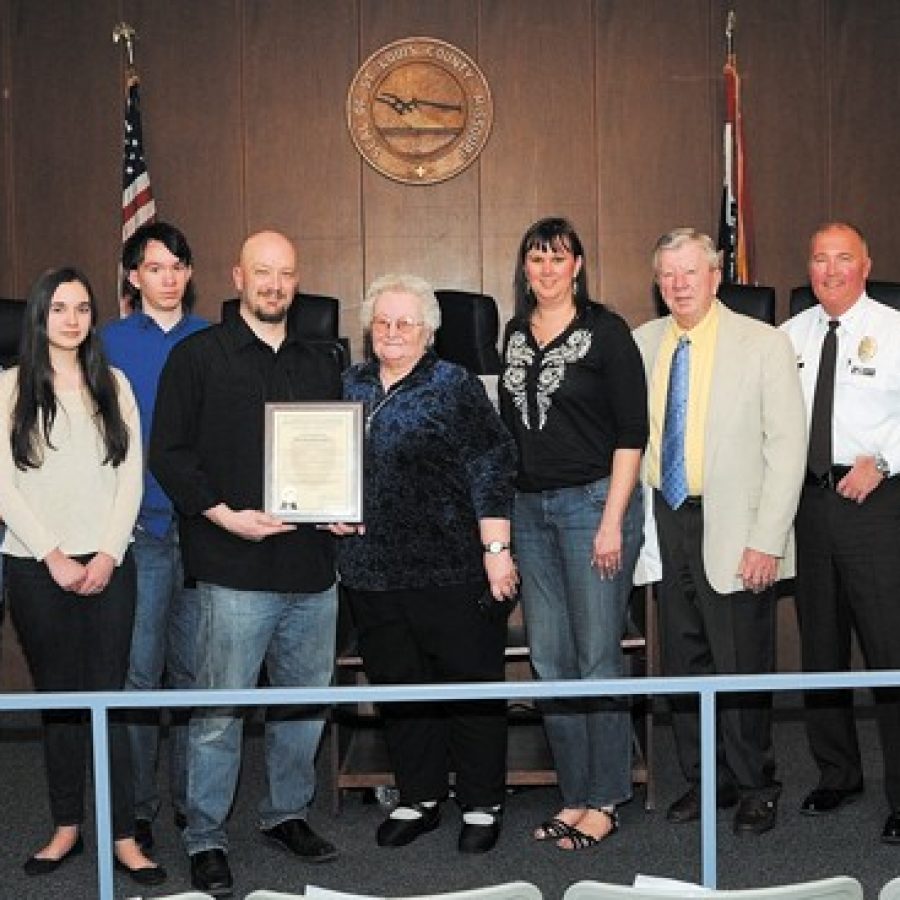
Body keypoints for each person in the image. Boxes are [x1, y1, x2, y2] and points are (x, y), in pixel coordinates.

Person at [149, 230, 341, 897]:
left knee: (302, 707)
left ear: (297, 281)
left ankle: (286, 813)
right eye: (262, 272)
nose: (274, 284)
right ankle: (205, 836)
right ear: (237, 277)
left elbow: (334, 455)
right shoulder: (196, 357)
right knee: (218, 713)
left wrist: (341, 507)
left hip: (312, 568)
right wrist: (224, 514)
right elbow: (169, 454)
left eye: (285, 273)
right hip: (231, 567)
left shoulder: (322, 361)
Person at [332, 274, 518, 854]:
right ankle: (421, 796)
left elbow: (493, 460)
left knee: (469, 691)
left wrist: (496, 551)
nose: (392, 332)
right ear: (368, 329)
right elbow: (327, 465)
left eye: (405, 323)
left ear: (429, 331)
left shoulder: (453, 384)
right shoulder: (349, 386)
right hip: (372, 573)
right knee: (401, 691)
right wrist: (329, 509)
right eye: (382, 322)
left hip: (452, 570)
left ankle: (483, 803)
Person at [633, 227, 806, 835]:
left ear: (715, 276)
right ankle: (708, 781)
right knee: (684, 663)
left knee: (740, 664)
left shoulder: (763, 343)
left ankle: (758, 784)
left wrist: (768, 539)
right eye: (667, 275)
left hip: (737, 526)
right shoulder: (642, 342)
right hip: (666, 520)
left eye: (690, 272)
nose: (679, 285)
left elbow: (788, 449)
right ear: (657, 283)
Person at [0, 268, 165, 886]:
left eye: (83, 308)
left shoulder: (112, 384)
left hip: (108, 566)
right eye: (60, 308)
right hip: (35, 567)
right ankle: (67, 825)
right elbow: (4, 487)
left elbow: (131, 476)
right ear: (39, 316)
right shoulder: (8, 388)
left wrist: (107, 556)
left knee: (111, 701)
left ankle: (123, 835)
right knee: (62, 703)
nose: (72, 319)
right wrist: (54, 555)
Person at [497, 217, 647, 850]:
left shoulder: (606, 333)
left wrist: (612, 521)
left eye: (559, 258)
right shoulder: (512, 334)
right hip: (531, 512)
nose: (547, 268)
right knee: (552, 660)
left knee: (596, 659)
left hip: (594, 508)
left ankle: (607, 797)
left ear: (578, 265)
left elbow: (631, 434)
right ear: (525, 268)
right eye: (536, 258)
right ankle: (575, 794)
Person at [781, 221, 900, 845]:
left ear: (866, 263)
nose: (830, 270)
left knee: (889, 650)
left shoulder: (894, 329)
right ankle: (837, 773)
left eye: (843, 258)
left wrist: (881, 458)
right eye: (819, 259)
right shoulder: (787, 337)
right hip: (809, 506)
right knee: (820, 648)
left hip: (876, 504)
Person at [101, 221, 209, 851]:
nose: (168, 278)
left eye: (177, 266)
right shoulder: (106, 343)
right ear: (134, 277)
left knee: (196, 676)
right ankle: (136, 807)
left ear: (189, 273)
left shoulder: (214, 340)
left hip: (200, 532)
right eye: (155, 267)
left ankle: (192, 804)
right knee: (140, 677)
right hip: (137, 533)